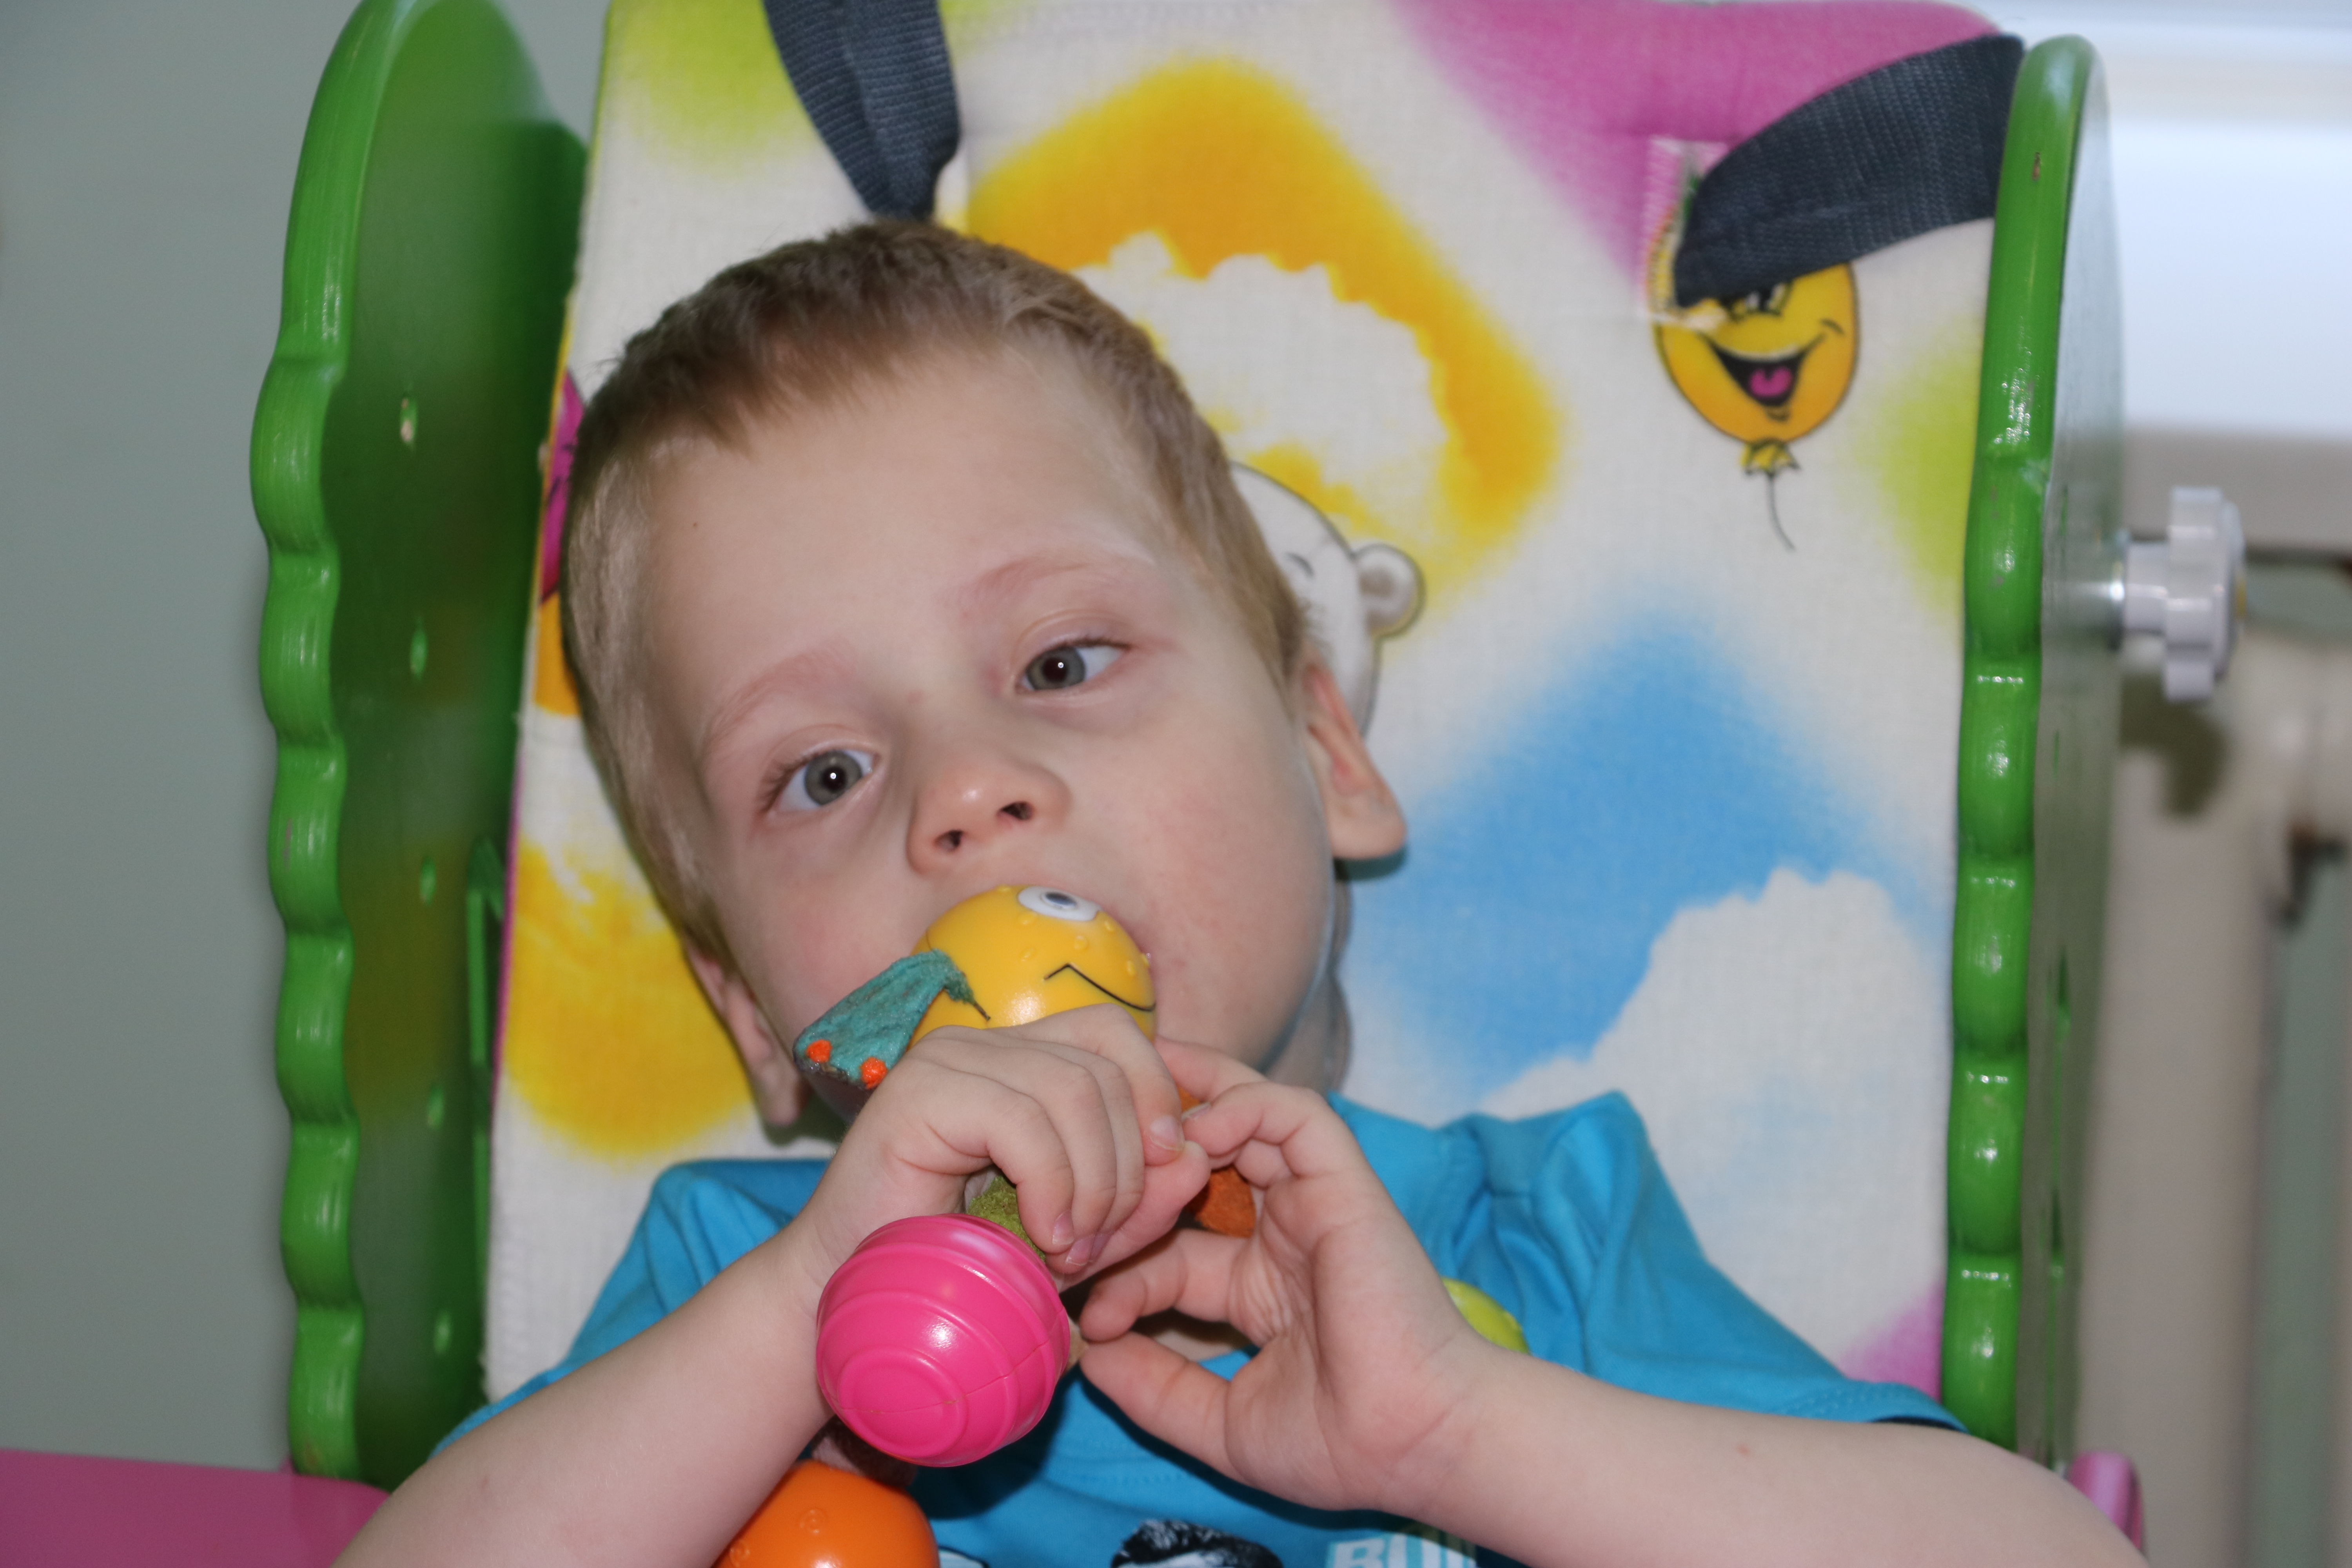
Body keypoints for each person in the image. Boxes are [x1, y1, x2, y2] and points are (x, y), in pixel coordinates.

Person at [337, 222, 2134, 1568]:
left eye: (1062, 662)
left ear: (1326, 754)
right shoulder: (736, 1296)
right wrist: (807, 1314)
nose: (966, 794)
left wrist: (1458, 1432)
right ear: (757, 1013)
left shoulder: (1541, 1247)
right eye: (823, 773)